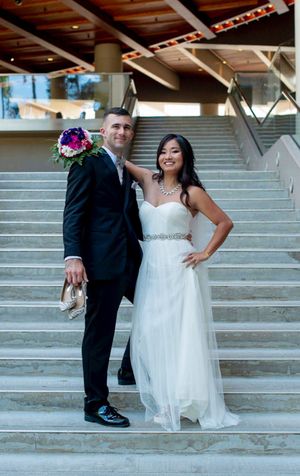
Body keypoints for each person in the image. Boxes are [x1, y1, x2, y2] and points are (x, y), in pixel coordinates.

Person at [125, 133, 240, 432]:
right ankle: (165, 396)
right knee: (151, 332)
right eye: (163, 151)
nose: (168, 156)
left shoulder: (193, 192)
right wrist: (78, 142)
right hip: (150, 264)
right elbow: (116, 159)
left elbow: (224, 222)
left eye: (175, 151)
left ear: (185, 156)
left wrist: (204, 253)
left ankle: (178, 401)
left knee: (180, 334)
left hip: (179, 265)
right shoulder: (148, 180)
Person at [63, 107, 142, 427]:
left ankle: (129, 367)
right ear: (103, 131)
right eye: (116, 127)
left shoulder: (125, 168)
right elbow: (73, 212)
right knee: (99, 334)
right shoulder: (87, 162)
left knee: (161, 307)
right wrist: (73, 257)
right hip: (101, 262)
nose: (122, 132)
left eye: (127, 127)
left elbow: (130, 214)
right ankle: (95, 403)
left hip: (132, 259)